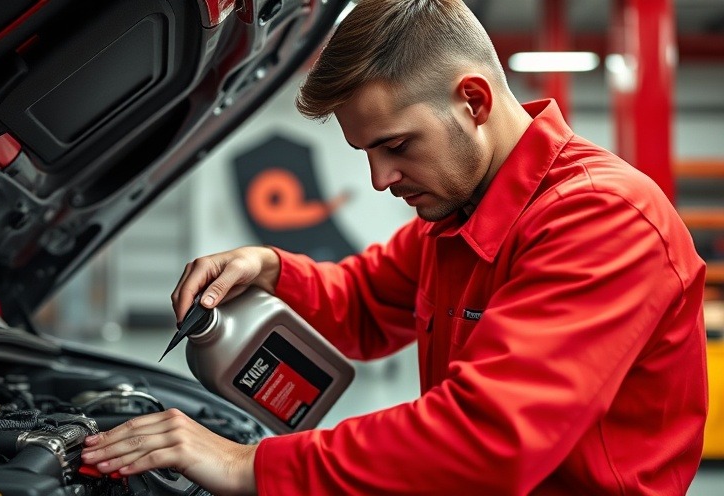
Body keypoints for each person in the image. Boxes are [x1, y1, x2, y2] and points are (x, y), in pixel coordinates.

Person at [80, 0, 708, 494]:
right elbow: (361, 306)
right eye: (367, 154)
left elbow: (490, 439)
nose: (381, 180)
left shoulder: (602, 219)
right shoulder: (462, 217)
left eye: (397, 145)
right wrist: (269, 268)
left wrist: (249, 465)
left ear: (474, 100)